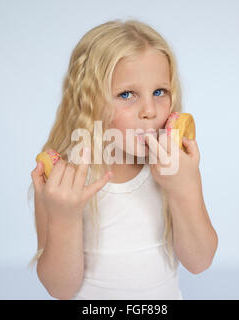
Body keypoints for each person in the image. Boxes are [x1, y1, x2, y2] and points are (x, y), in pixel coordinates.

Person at [27, 19, 218, 300]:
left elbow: (200, 261)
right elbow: (60, 289)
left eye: (159, 92)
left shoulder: (177, 169)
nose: (150, 110)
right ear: (88, 102)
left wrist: (184, 190)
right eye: (126, 95)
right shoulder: (61, 179)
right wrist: (65, 218)